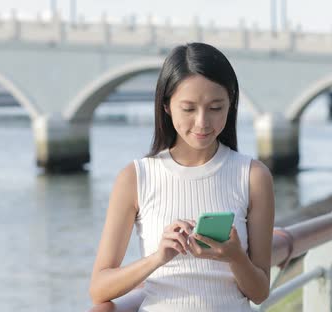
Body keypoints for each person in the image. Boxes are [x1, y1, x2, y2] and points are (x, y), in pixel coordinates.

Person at [89, 42, 275, 311]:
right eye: (188, 109)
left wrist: (235, 257)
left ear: (231, 104)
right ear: (166, 105)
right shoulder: (136, 177)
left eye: (215, 108)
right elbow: (99, 288)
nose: (202, 122)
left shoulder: (253, 176)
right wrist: (158, 258)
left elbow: (259, 293)